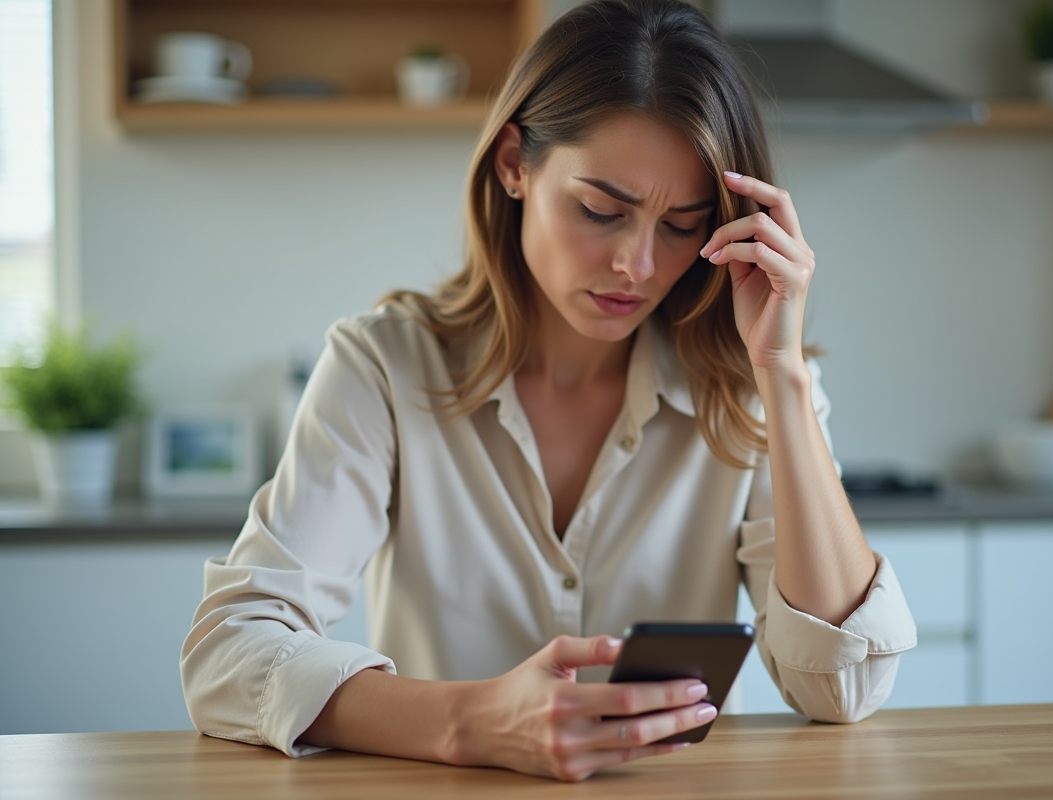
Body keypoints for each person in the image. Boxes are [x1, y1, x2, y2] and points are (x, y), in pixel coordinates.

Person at [181, 0, 916, 783]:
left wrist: (784, 374)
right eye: (602, 209)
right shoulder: (384, 368)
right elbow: (230, 654)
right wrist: (469, 722)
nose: (637, 264)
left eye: (681, 226)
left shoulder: (750, 389)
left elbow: (845, 687)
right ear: (513, 164)